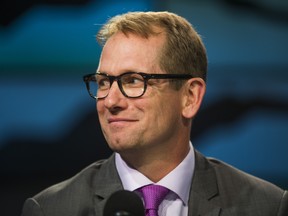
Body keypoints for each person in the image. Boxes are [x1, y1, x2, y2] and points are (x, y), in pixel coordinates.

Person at [21, 11, 287, 216]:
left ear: (190, 97)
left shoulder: (268, 206)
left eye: (133, 80)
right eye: (103, 82)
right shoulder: (51, 209)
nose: (110, 100)